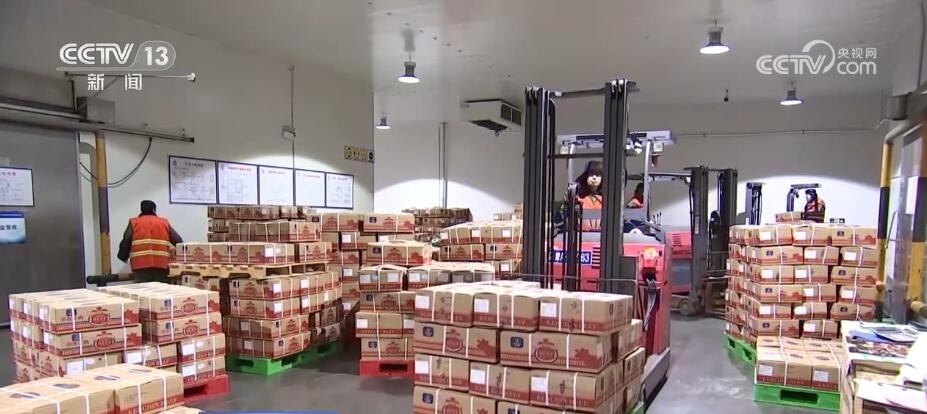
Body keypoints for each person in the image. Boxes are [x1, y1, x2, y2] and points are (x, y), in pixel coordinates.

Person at [117, 200, 183, 283]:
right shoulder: (164, 222)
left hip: (140, 266)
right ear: (154, 210)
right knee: (161, 289)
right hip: (161, 265)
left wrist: (122, 256)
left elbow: (127, 239)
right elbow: (178, 241)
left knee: (143, 289)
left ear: (141, 209)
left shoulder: (134, 222)